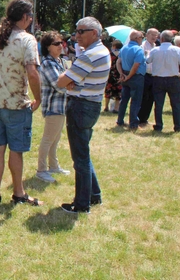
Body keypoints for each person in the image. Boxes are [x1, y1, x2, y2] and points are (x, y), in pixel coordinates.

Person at [0, 0, 43, 206]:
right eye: (30, 17)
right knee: (16, 151)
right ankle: (19, 193)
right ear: (24, 17)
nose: (31, 20)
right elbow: (32, 72)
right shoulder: (27, 39)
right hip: (16, 105)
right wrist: (38, 97)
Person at [56, 16, 111, 214]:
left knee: (80, 158)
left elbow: (61, 81)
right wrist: (70, 78)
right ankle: (93, 196)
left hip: (81, 106)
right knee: (83, 154)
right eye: (76, 31)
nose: (76, 35)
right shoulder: (99, 51)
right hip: (90, 105)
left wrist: (69, 79)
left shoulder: (90, 55)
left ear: (94, 33)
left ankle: (81, 205)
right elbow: (68, 79)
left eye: (81, 32)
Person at [35, 31, 69, 183]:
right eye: (56, 44)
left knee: (56, 139)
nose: (61, 46)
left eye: (61, 43)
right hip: (53, 106)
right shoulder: (48, 63)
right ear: (48, 47)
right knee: (48, 139)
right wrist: (72, 85)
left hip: (61, 106)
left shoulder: (60, 61)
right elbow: (59, 85)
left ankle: (53, 166)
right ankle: (41, 170)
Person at [147, 30, 180, 132]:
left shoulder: (155, 50)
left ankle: (159, 125)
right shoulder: (178, 50)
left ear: (161, 39)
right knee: (176, 104)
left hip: (158, 79)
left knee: (158, 104)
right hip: (173, 78)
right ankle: (178, 126)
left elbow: (147, 61)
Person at [116, 30, 146, 131]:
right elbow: (136, 65)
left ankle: (120, 121)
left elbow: (118, 62)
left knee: (124, 100)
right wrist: (129, 76)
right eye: (142, 37)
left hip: (125, 75)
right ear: (137, 38)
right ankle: (133, 123)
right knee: (136, 101)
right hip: (135, 77)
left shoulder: (124, 48)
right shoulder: (138, 49)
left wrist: (121, 74)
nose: (142, 39)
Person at [138, 28, 159, 126]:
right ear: (147, 35)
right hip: (145, 75)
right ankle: (139, 118)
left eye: (156, 35)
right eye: (152, 34)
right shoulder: (142, 46)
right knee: (143, 97)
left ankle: (145, 118)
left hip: (154, 75)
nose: (154, 37)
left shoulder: (156, 46)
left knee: (151, 98)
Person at [104, 39, 123, 113]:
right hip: (119, 74)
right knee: (119, 92)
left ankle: (106, 107)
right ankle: (116, 108)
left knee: (108, 91)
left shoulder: (109, 54)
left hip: (110, 75)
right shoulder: (122, 55)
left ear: (114, 46)